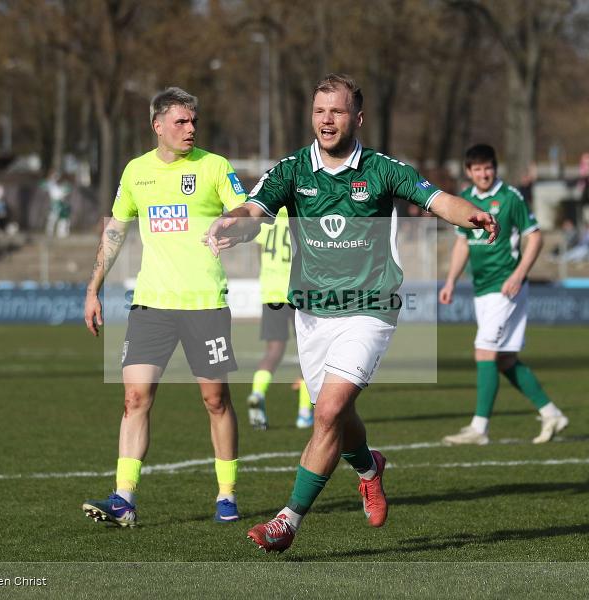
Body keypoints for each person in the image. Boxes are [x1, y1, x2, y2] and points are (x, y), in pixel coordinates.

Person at [205, 74, 498, 553]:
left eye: (337, 112)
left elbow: (437, 198)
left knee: (328, 412)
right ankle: (369, 467)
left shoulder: (382, 169)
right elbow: (255, 210)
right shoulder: (293, 169)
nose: (327, 120)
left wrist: (473, 214)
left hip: (370, 309)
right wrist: (231, 225)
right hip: (314, 313)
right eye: (320, 111)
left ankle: (287, 521)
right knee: (336, 417)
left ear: (357, 118)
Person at [81, 87, 248, 527]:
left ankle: (227, 495)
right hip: (151, 304)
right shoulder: (136, 172)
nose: (191, 128)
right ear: (158, 126)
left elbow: (251, 213)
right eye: (181, 121)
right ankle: (123, 498)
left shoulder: (215, 167)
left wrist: (239, 229)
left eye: (194, 121)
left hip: (204, 304)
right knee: (134, 397)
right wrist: (93, 287)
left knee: (215, 400)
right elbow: (115, 231)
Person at [439, 144, 568, 446]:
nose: (484, 174)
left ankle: (479, 429)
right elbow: (462, 244)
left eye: (489, 167)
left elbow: (535, 237)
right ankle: (552, 414)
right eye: (478, 169)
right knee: (506, 360)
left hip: (506, 288)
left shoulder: (510, 197)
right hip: (482, 289)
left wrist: (519, 274)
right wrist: (450, 281)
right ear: (469, 172)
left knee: (484, 351)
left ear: (495, 168)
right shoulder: (466, 201)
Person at [246, 207, 314, 430]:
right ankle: (304, 413)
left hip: (271, 292)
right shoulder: (300, 217)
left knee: (273, 351)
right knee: (309, 352)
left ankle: (257, 392)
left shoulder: (267, 220)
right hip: (298, 291)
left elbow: (260, 253)